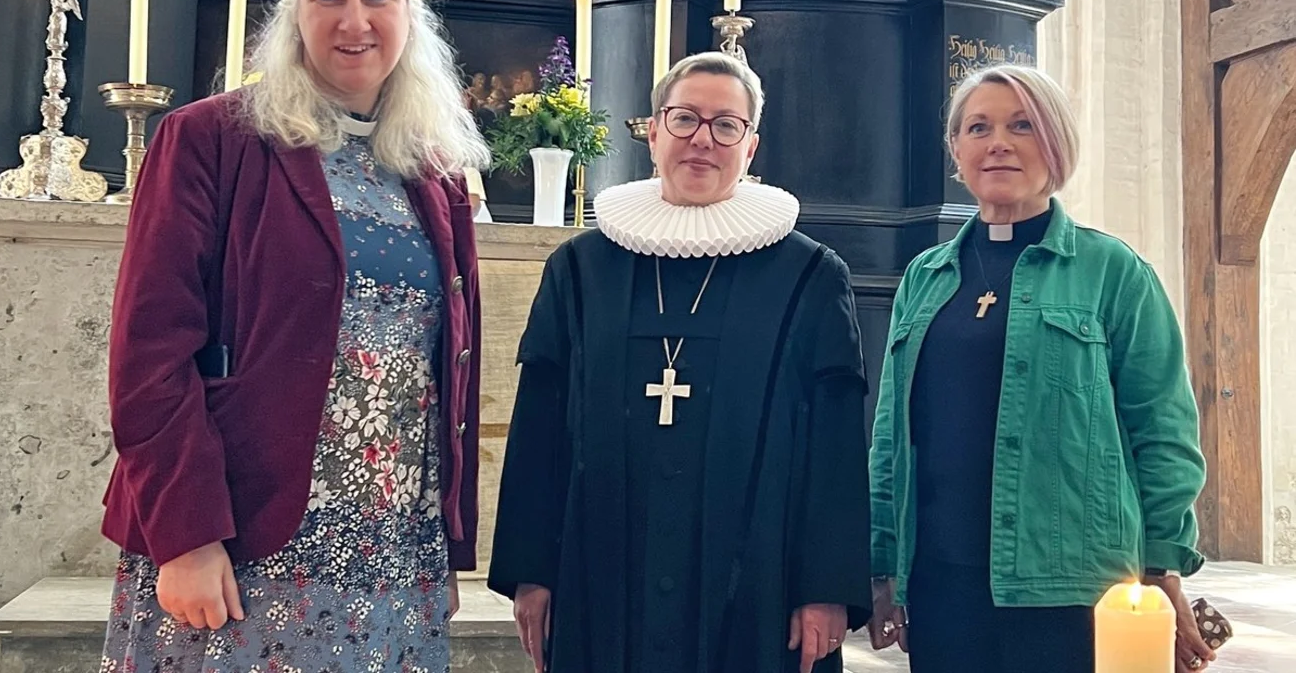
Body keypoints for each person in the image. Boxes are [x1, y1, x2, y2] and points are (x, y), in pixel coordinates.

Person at [98, 0, 490, 672]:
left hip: (389, 546)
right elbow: (150, 353)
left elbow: (449, 373)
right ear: (293, 13)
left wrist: (443, 546)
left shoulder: (434, 174)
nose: (356, 21)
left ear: (410, 13)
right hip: (244, 535)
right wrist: (185, 534)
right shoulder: (213, 139)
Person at [488, 52, 872, 673]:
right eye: (685, 118)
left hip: (757, 580)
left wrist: (825, 586)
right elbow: (539, 430)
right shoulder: (581, 269)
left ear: (750, 148)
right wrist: (531, 571)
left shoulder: (808, 275)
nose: (703, 139)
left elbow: (834, 447)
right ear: (652, 131)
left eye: (726, 125)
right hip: (601, 569)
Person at [866, 64, 1217, 673]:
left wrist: (1162, 565)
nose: (998, 141)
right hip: (942, 584)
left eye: (1022, 124)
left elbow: (1163, 429)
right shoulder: (925, 277)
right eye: (979, 126)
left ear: (1055, 142)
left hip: (1077, 587)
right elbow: (891, 439)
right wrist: (882, 564)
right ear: (957, 149)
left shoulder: (1113, 271)